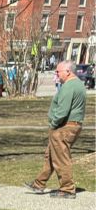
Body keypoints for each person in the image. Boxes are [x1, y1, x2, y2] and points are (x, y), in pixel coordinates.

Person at [27, 60, 86, 198]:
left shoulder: (69, 86)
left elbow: (62, 110)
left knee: (60, 158)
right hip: (70, 125)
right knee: (51, 155)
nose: (56, 74)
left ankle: (67, 189)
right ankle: (39, 184)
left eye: (58, 71)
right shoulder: (78, 84)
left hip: (64, 126)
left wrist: (53, 124)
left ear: (68, 71)